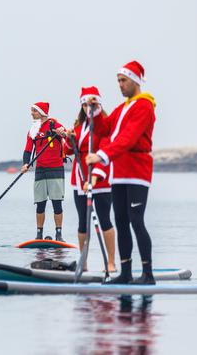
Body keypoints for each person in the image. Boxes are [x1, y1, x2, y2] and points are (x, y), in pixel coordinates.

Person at [86, 61, 156, 284]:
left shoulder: (144, 106)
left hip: (137, 172)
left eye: (123, 80)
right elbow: (106, 128)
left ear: (135, 81)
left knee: (136, 220)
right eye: (118, 81)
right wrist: (95, 110)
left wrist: (102, 156)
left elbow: (128, 138)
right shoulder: (123, 107)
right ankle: (126, 272)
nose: (120, 85)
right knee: (122, 221)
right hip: (119, 173)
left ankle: (148, 274)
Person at [63, 87, 116, 272]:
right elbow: (68, 151)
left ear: (98, 105)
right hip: (79, 180)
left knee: (104, 219)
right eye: (84, 105)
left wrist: (93, 180)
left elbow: (104, 153)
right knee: (82, 221)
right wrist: (69, 139)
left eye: (91, 105)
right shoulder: (79, 126)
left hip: (99, 181)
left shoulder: (104, 126)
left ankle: (110, 263)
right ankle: (83, 263)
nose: (88, 108)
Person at [21, 102, 67, 241]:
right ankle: (39, 234)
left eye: (34, 111)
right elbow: (28, 149)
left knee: (57, 203)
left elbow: (68, 135)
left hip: (56, 169)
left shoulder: (55, 124)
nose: (31, 113)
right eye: (31, 111)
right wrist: (25, 164)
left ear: (41, 112)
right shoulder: (33, 130)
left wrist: (62, 133)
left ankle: (59, 235)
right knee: (40, 204)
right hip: (40, 170)